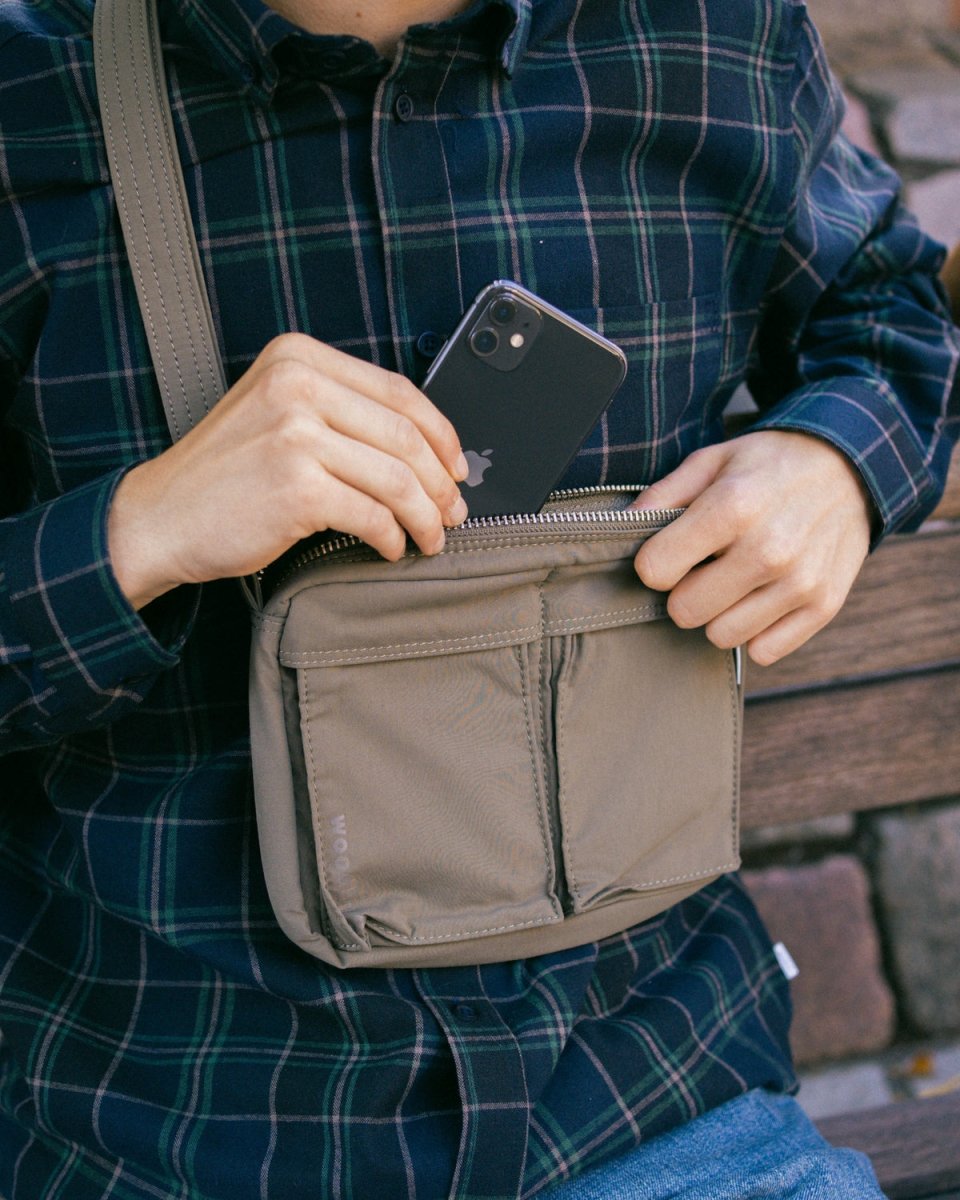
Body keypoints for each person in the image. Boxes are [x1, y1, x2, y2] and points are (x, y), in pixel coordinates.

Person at [0, 0, 957, 1196]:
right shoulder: (29, 90)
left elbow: (890, 303)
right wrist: (136, 532)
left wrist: (839, 461)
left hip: (647, 1103)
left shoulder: (714, 34)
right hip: (172, 1130)